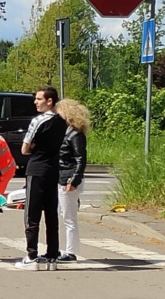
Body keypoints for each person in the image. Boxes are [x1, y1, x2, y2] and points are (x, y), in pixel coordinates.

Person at [15, 86, 67, 271]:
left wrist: (34, 146)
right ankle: (52, 255)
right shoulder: (62, 122)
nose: (35, 102)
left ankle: (31, 255)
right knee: (51, 214)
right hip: (53, 169)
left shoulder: (38, 120)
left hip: (36, 169)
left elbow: (24, 149)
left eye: (38, 99)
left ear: (49, 101)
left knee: (32, 213)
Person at [55, 98, 90, 262]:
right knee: (60, 214)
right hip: (61, 176)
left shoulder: (75, 134)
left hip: (68, 179)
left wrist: (73, 180)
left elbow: (80, 160)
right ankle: (58, 249)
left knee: (69, 217)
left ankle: (71, 252)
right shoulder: (65, 132)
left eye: (59, 111)